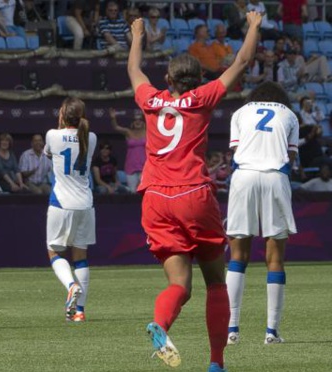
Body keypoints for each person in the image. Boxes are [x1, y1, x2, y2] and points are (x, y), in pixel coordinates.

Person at [127, 11, 262, 372]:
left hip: (156, 198)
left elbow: (134, 72)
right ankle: (216, 363)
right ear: (199, 78)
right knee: (216, 282)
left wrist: (138, 36)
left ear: (168, 78)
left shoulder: (151, 101)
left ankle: (161, 324)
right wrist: (252, 26)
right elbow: (243, 61)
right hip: (193, 196)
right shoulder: (202, 98)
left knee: (179, 286)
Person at [226, 81, 299, 346]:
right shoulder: (289, 114)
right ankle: (272, 332)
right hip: (275, 177)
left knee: (237, 256)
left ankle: (232, 330)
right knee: (275, 258)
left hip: (244, 176)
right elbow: (290, 155)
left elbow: (236, 150)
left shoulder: (241, 112)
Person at [44, 97, 97, 323]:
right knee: (81, 258)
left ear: (63, 115)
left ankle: (70, 285)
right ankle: (80, 312)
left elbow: (49, 153)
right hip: (85, 203)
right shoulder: (91, 137)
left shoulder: (52, 135)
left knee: (54, 251)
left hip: (61, 203)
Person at [109, 108, 146, 193]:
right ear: (132, 122)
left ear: (143, 122)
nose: (138, 122)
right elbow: (116, 127)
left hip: (144, 166)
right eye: (136, 120)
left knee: (143, 191)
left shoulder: (147, 132)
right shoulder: (128, 132)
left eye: (140, 120)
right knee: (133, 191)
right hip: (131, 166)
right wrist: (113, 118)